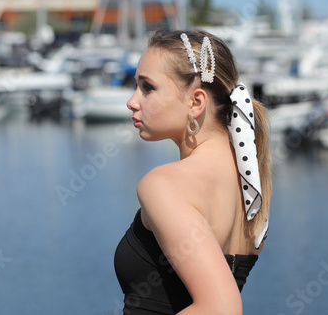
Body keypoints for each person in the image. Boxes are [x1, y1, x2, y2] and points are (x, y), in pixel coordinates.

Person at [114, 29, 272, 315]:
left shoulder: (164, 185)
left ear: (196, 103)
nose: (132, 101)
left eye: (147, 87)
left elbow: (222, 308)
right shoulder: (249, 187)